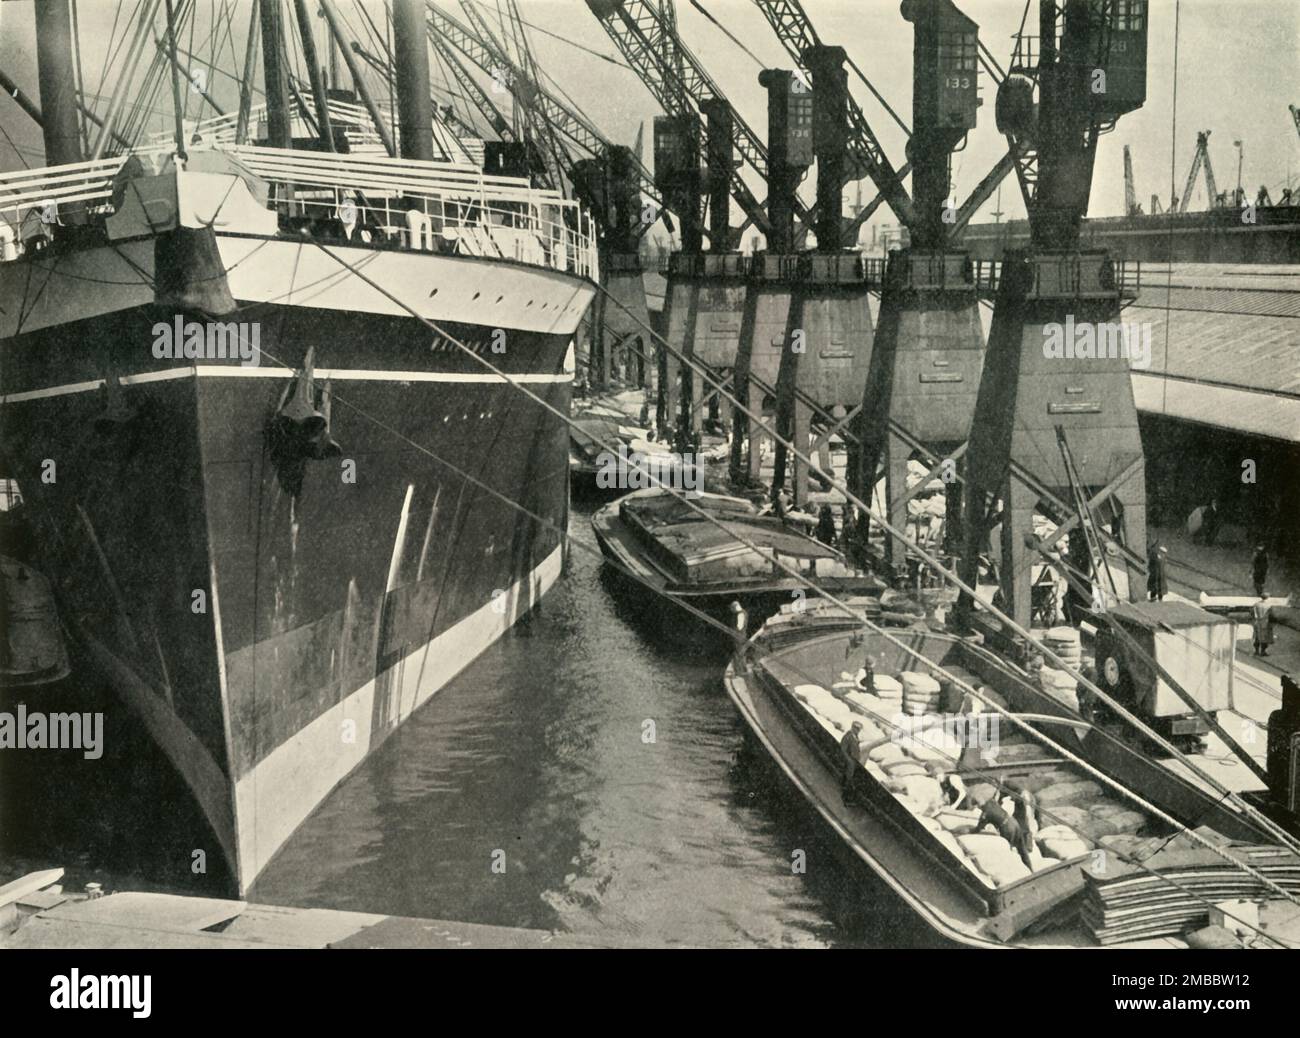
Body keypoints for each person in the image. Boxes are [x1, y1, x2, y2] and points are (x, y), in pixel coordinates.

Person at [975, 788, 1036, 869]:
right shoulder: (992, 802)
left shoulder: (985, 813)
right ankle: (1030, 868)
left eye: (977, 806)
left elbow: (978, 829)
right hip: (1014, 822)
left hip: (1007, 828)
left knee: (1008, 850)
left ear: (979, 805)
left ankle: (1012, 869)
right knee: (1022, 849)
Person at [839, 721, 865, 798]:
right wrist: (849, 760)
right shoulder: (848, 737)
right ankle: (845, 794)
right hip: (849, 762)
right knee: (848, 778)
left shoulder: (856, 738)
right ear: (852, 727)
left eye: (859, 729)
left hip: (854, 762)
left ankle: (847, 794)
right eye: (856, 728)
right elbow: (843, 749)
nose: (857, 730)